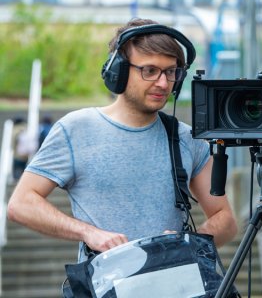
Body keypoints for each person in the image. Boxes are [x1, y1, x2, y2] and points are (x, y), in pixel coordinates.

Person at [7, 18, 238, 261]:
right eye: (149, 71)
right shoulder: (75, 129)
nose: (162, 83)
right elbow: (21, 203)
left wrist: (187, 244)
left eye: (171, 72)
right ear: (118, 71)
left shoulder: (186, 138)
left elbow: (225, 219)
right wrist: (88, 233)